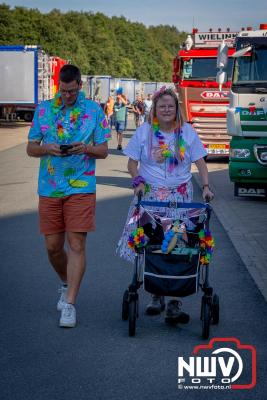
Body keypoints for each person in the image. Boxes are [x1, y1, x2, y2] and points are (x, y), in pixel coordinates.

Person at [117, 87, 214, 324]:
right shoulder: (144, 132)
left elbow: (200, 162)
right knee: (152, 244)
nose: (167, 110)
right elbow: (132, 164)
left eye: (171, 106)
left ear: (176, 108)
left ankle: (174, 303)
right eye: (162, 106)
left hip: (179, 199)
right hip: (150, 199)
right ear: (155, 110)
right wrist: (137, 180)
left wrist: (206, 186)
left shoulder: (187, 132)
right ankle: (155, 296)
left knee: (177, 245)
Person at [27, 64, 111, 328]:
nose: (67, 96)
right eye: (63, 91)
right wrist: (47, 148)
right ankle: (66, 283)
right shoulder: (43, 110)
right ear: (58, 87)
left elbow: (104, 150)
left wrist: (86, 148)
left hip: (81, 186)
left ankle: (71, 304)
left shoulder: (93, 111)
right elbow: (31, 147)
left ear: (80, 85)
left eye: (72, 91)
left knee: (76, 244)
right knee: (52, 247)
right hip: (50, 186)